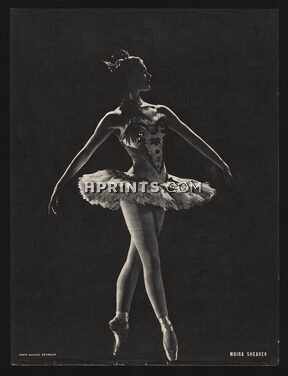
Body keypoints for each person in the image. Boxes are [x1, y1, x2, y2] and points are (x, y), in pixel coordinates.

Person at [48, 49, 233, 363]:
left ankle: (120, 319)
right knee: (151, 259)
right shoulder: (115, 119)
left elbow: (192, 138)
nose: (149, 76)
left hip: (161, 188)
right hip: (133, 190)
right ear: (129, 78)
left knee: (135, 259)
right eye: (144, 71)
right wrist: (59, 184)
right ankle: (167, 326)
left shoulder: (161, 111)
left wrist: (222, 163)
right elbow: (83, 154)